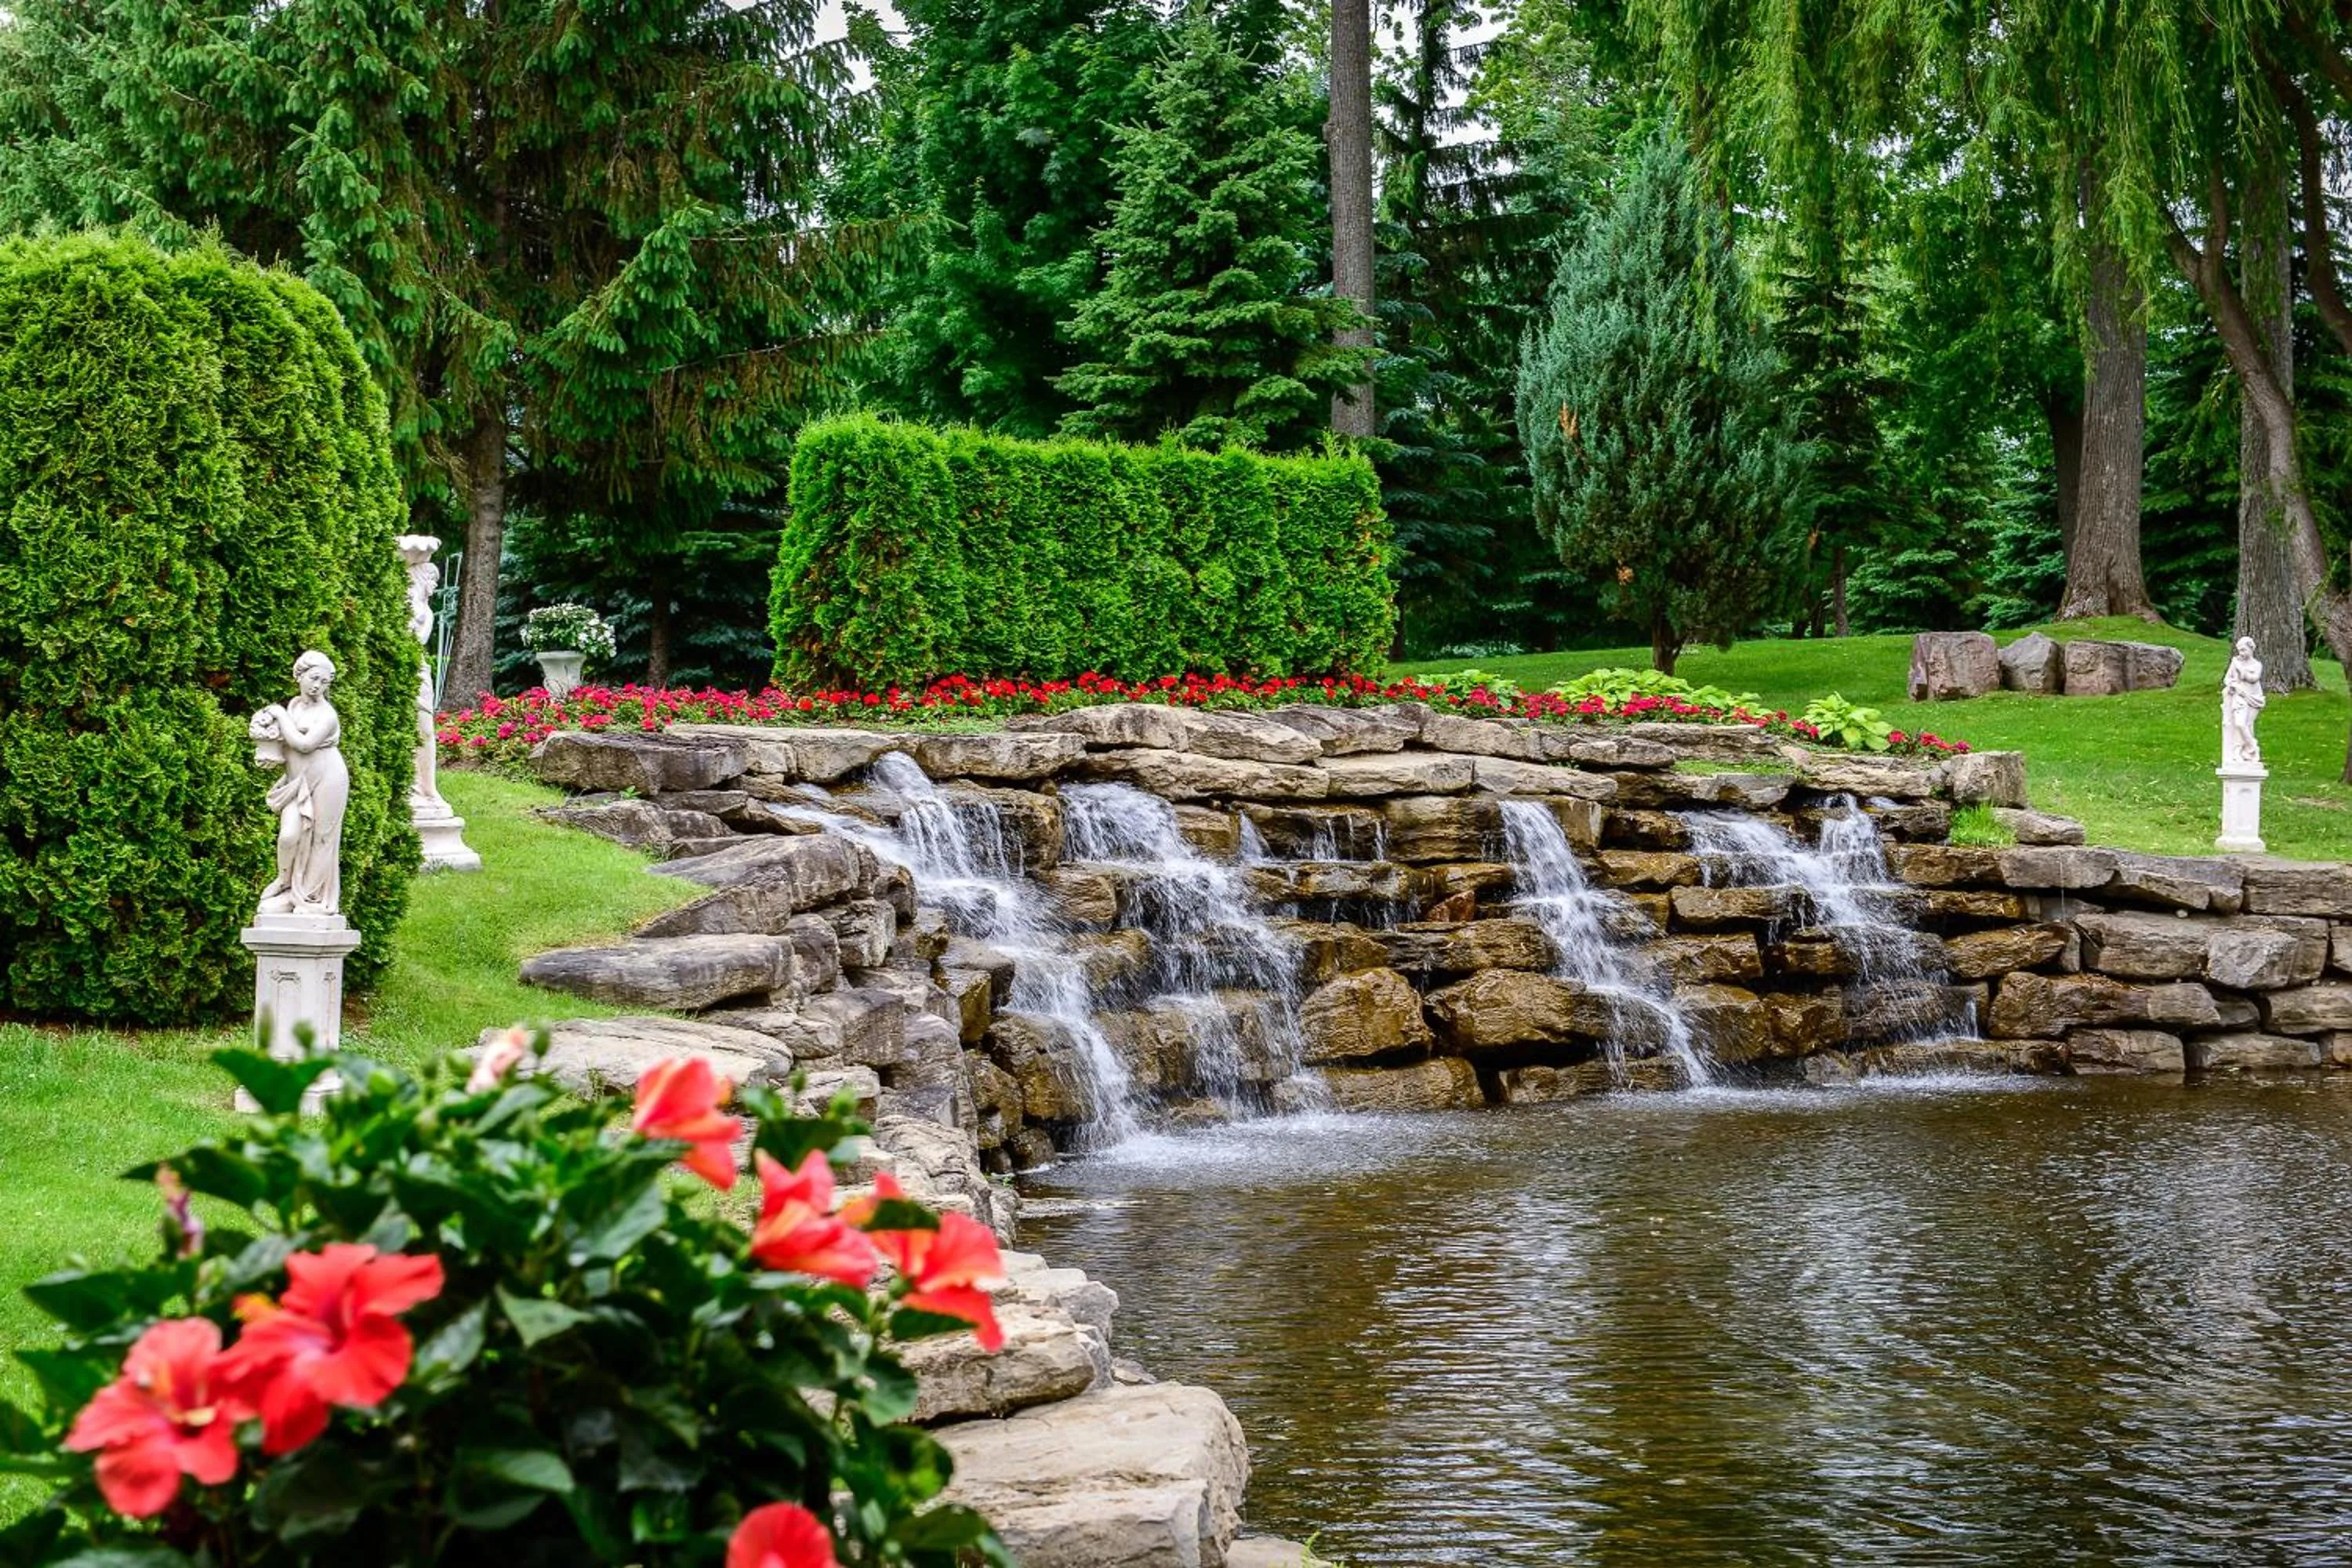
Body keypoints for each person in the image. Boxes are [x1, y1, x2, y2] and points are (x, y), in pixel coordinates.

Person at [251, 651, 350, 916]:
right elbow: (284, 744)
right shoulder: (294, 706)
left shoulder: (327, 715)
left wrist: (278, 715)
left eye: (325, 682)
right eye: (314, 678)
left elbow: (305, 745)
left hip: (329, 778)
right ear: (300, 675)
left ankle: (310, 899)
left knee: (322, 838)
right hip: (298, 781)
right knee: (289, 836)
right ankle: (285, 883)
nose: (318, 686)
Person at [2221, 636, 2267, 768]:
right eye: (2240, 650)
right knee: (2240, 724)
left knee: (2248, 725)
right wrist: (2233, 685)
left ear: (2251, 649)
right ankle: (2252, 747)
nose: (2241, 653)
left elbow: (2254, 678)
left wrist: (2241, 671)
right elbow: (2227, 679)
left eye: (2244, 650)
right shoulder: (2235, 662)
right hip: (2239, 696)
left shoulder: (2257, 665)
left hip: (2254, 697)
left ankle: (2243, 753)